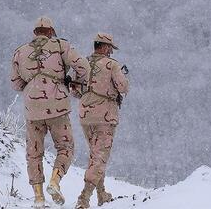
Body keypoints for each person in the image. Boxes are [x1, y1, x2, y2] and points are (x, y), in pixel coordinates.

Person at [10, 16, 90, 208]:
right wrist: (74, 83)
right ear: (51, 32)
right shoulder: (61, 46)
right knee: (65, 147)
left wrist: (32, 87)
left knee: (34, 152)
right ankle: (55, 181)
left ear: (34, 33)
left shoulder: (20, 52)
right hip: (57, 107)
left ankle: (38, 197)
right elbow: (84, 67)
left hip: (32, 110)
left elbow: (15, 83)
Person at [72, 33, 129, 209]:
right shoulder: (112, 65)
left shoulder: (82, 64)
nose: (111, 51)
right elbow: (124, 87)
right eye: (110, 48)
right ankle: (84, 198)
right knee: (100, 157)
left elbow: (74, 91)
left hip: (85, 116)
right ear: (104, 47)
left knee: (95, 154)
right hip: (105, 116)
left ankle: (102, 193)